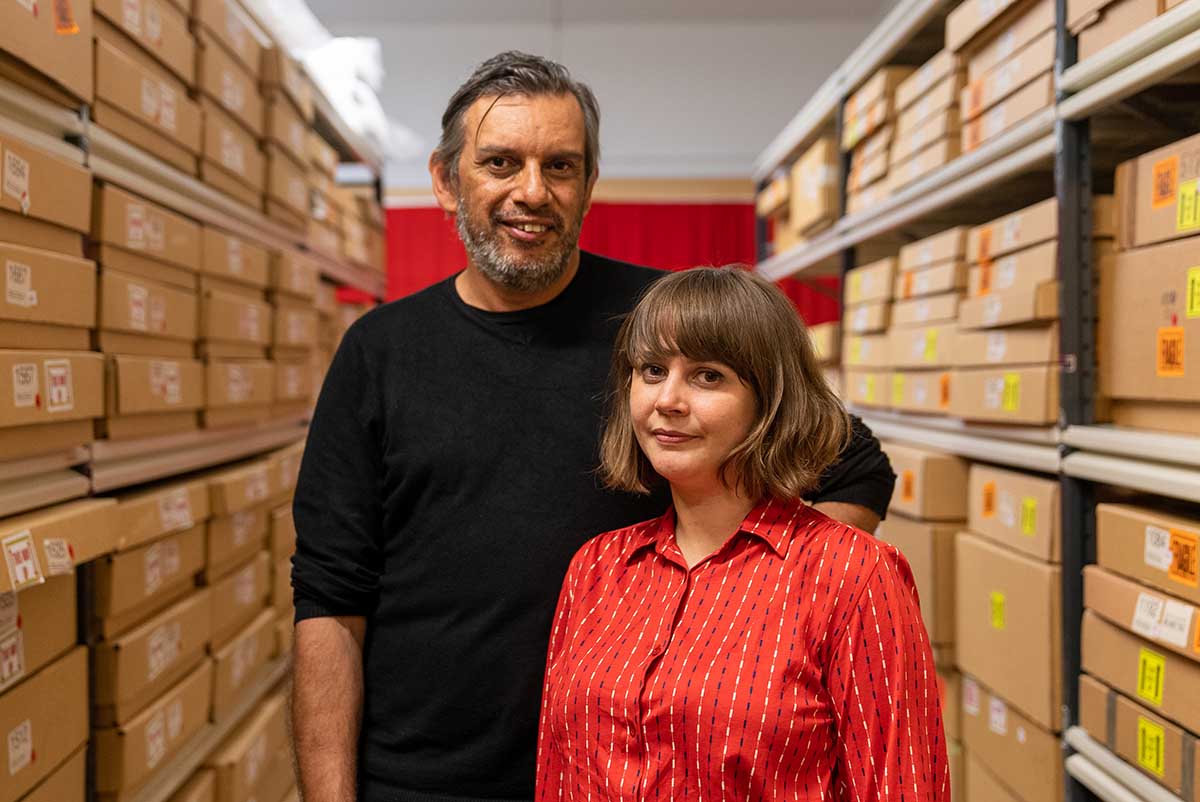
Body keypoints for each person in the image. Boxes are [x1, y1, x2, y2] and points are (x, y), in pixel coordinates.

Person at [290, 51, 897, 802]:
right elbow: (329, 597)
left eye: (561, 166)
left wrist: (757, 613)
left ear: (588, 185)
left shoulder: (662, 328)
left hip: (638, 776)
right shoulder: (379, 352)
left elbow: (856, 465)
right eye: (501, 163)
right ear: (447, 180)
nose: (532, 192)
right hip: (423, 779)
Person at [536, 267, 947, 800]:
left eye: (708, 376)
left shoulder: (855, 575)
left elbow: (901, 785)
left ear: (771, 402)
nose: (668, 400)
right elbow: (557, 774)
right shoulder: (597, 568)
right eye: (653, 370)